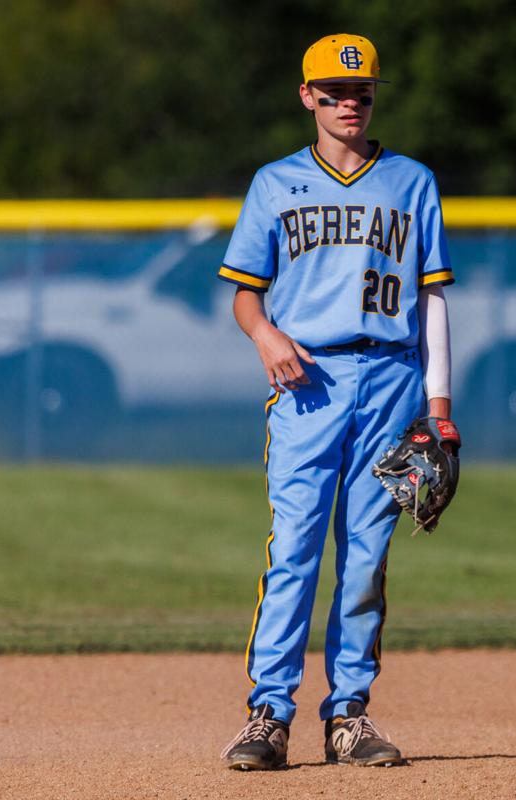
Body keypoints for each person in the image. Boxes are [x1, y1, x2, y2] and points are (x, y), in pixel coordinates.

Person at [216, 33, 456, 770]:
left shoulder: (411, 182)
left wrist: (440, 410)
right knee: (292, 549)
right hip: (306, 386)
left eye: (360, 91)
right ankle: (269, 715)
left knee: (365, 556)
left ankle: (349, 714)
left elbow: (432, 300)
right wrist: (265, 338)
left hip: (390, 381)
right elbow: (244, 297)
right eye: (333, 91)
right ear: (306, 97)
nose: (348, 103)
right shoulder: (275, 183)